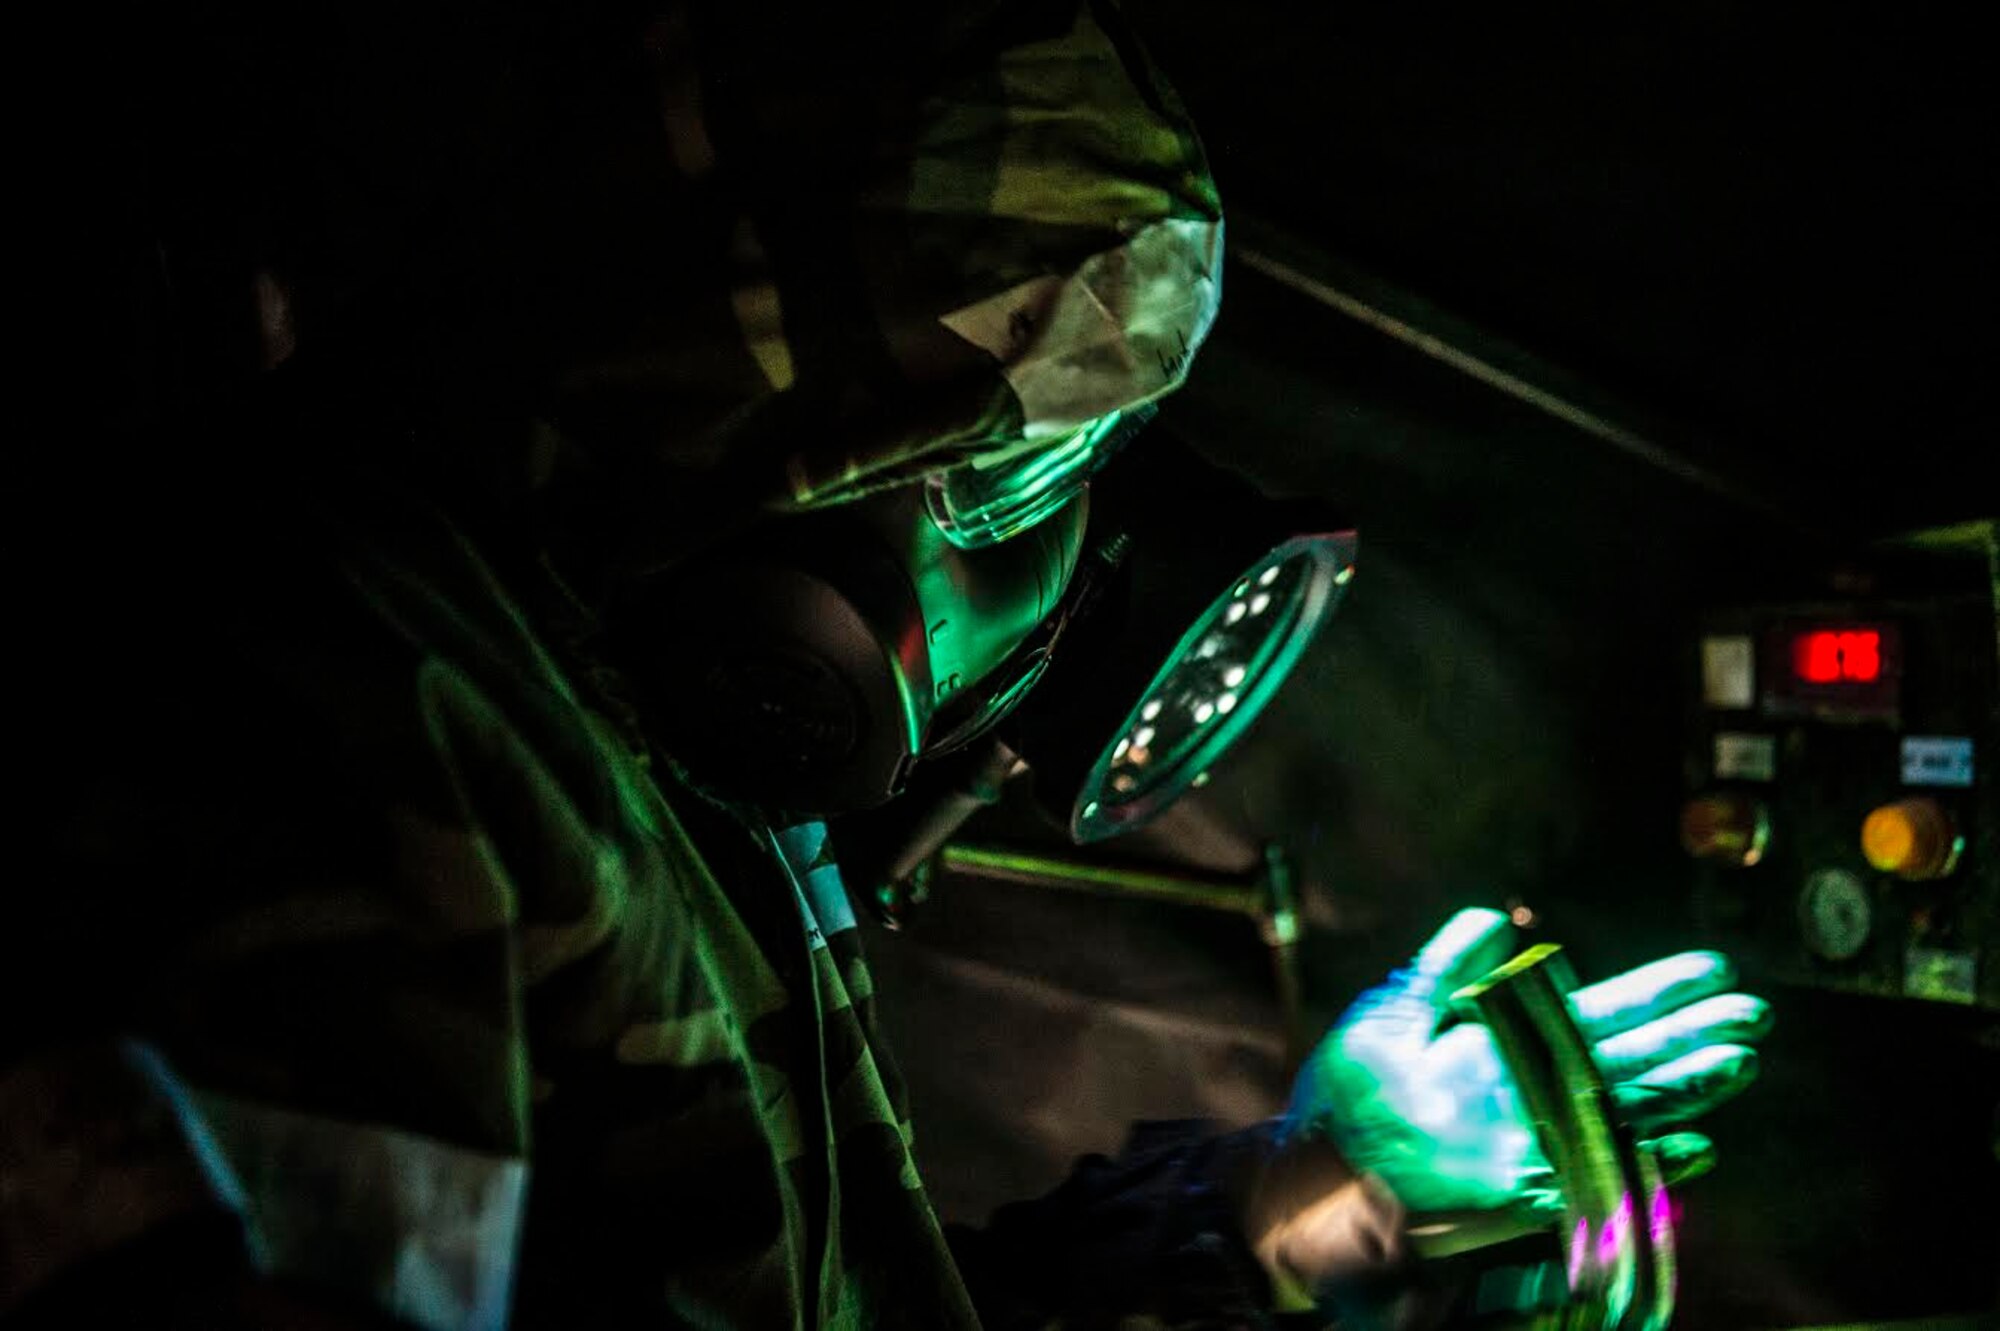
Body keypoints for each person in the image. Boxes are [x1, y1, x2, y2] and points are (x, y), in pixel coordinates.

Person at [6, 1, 1768, 1326]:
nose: (1056, 576)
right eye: (1040, 474)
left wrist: (1316, 1194)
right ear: (799, 443)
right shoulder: (343, 721)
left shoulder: (627, 734)